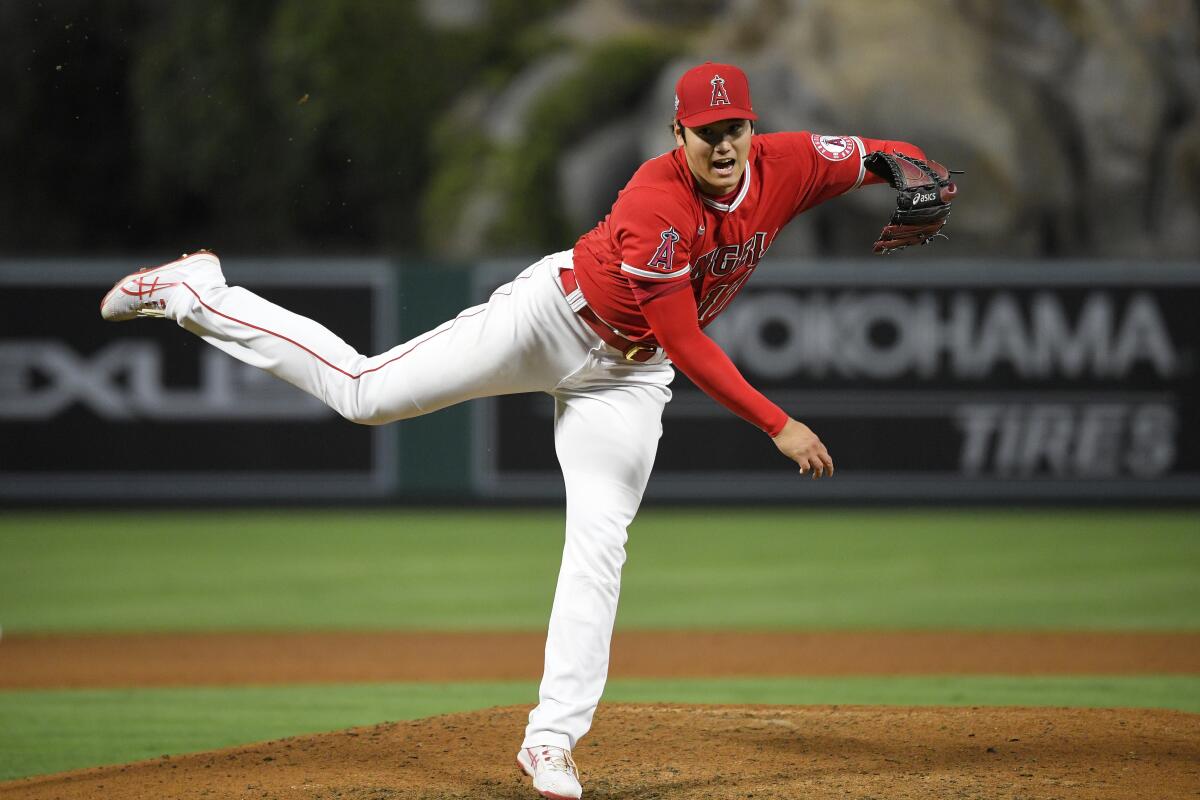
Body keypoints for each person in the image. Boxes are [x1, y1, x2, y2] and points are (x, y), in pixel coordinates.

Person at [101, 61, 949, 800]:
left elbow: (877, 154)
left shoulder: (789, 160)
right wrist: (779, 423)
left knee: (599, 541)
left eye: (735, 128)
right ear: (677, 133)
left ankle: (552, 739)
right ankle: (198, 291)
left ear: (751, 129)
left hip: (628, 380)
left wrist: (906, 166)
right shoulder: (656, 200)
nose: (723, 145)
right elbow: (688, 340)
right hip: (554, 320)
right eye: (705, 132)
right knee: (364, 394)